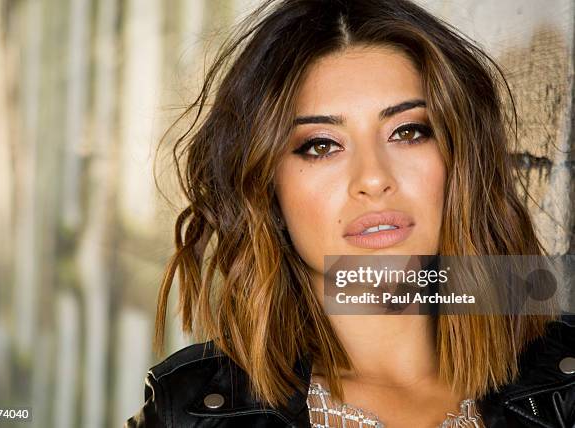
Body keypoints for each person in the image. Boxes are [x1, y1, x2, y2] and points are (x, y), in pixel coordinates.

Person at [124, 0, 575, 426]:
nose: (373, 177)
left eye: (409, 131)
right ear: (267, 189)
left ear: (461, 160)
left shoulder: (565, 381)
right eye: (321, 145)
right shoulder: (188, 411)